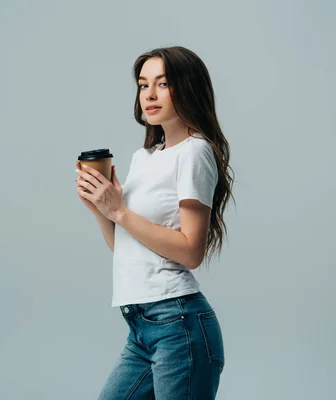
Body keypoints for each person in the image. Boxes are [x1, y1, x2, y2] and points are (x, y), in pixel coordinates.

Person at [74, 46, 235, 399]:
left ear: (187, 87)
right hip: (141, 327)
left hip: (178, 325)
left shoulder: (195, 152)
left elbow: (192, 251)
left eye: (163, 83)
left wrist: (120, 212)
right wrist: (101, 209)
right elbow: (128, 248)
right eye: (143, 84)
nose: (149, 94)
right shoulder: (144, 157)